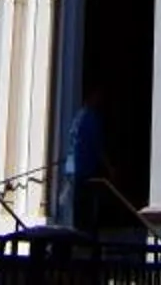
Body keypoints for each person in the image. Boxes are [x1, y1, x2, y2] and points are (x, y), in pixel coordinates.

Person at [63, 83, 106, 234]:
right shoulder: (90, 119)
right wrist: (109, 167)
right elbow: (97, 146)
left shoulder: (78, 117)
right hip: (84, 171)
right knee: (85, 210)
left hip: (72, 169)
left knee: (72, 209)